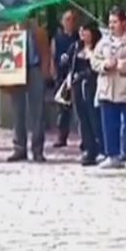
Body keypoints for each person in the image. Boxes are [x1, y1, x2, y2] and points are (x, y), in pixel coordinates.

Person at [93, 7, 126, 169]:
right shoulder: (104, 42)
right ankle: (112, 154)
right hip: (107, 89)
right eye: (110, 22)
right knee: (109, 124)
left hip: (125, 88)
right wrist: (104, 65)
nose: (112, 25)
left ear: (124, 23)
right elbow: (94, 61)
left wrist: (121, 65)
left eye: (115, 22)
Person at [6, 15, 53, 163]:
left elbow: (46, 53)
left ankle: (37, 150)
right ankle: (19, 148)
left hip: (35, 70)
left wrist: (45, 72)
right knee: (18, 111)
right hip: (16, 71)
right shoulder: (10, 32)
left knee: (37, 112)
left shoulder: (39, 32)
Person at [66, 21, 103, 166]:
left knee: (94, 117)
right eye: (81, 31)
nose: (82, 34)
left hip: (91, 85)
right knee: (83, 118)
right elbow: (68, 63)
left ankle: (100, 147)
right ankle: (88, 148)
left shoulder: (97, 47)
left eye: (85, 31)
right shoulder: (76, 47)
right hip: (78, 85)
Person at [51, 10, 80, 148]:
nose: (70, 22)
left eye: (73, 19)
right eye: (67, 19)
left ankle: (84, 138)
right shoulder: (57, 38)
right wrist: (54, 73)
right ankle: (61, 136)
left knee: (79, 109)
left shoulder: (78, 38)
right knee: (62, 109)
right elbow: (53, 56)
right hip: (62, 77)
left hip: (75, 75)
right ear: (62, 22)